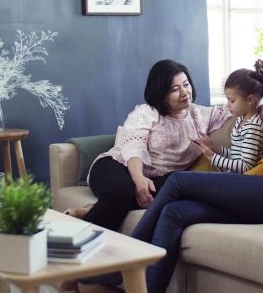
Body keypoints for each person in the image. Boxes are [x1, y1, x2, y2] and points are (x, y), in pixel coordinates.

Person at [79, 51, 263, 293]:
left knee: (179, 181)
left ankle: (126, 258)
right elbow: (250, 108)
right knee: (174, 212)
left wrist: (235, 184)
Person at [67, 59, 232, 232]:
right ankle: (80, 246)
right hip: (116, 166)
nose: (185, 92)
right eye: (175, 89)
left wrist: (261, 108)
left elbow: (237, 106)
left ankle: (89, 212)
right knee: (121, 194)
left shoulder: (201, 116)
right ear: (161, 95)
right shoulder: (147, 112)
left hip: (157, 181)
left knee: (178, 187)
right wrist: (138, 179)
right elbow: (134, 148)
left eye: (186, 84)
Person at [194, 59, 263, 173]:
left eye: (232, 101)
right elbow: (236, 156)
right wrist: (214, 146)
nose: (228, 105)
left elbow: (246, 166)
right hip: (235, 178)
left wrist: (213, 158)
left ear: (250, 99)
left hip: (248, 181)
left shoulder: (254, 127)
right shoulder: (240, 120)